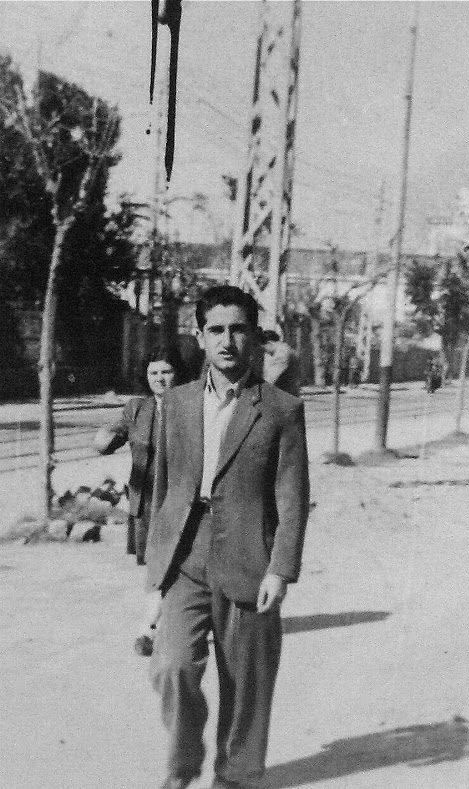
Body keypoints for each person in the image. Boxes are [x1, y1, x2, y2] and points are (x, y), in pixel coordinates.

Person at [145, 285, 310, 789]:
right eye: (216, 329)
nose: (228, 340)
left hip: (249, 555)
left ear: (255, 338)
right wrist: (155, 571)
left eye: (239, 329)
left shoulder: (281, 409)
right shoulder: (174, 404)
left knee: (246, 683)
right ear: (198, 337)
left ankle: (235, 777)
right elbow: (164, 490)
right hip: (186, 553)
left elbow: (292, 497)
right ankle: (181, 766)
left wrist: (281, 569)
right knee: (171, 668)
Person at [94, 345, 184, 652]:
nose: (159, 379)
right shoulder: (136, 408)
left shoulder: (191, 405)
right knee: (158, 565)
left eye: (166, 372)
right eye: (153, 373)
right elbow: (113, 436)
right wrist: (104, 438)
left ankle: (148, 628)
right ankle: (160, 623)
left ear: (178, 374)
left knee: (173, 563)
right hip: (146, 502)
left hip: (180, 499)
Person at [258, 328, 301, 397]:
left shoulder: (282, 353)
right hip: (287, 395)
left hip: (284, 397)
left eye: (264, 348)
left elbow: (271, 379)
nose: (264, 352)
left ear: (269, 343)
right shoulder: (285, 349)